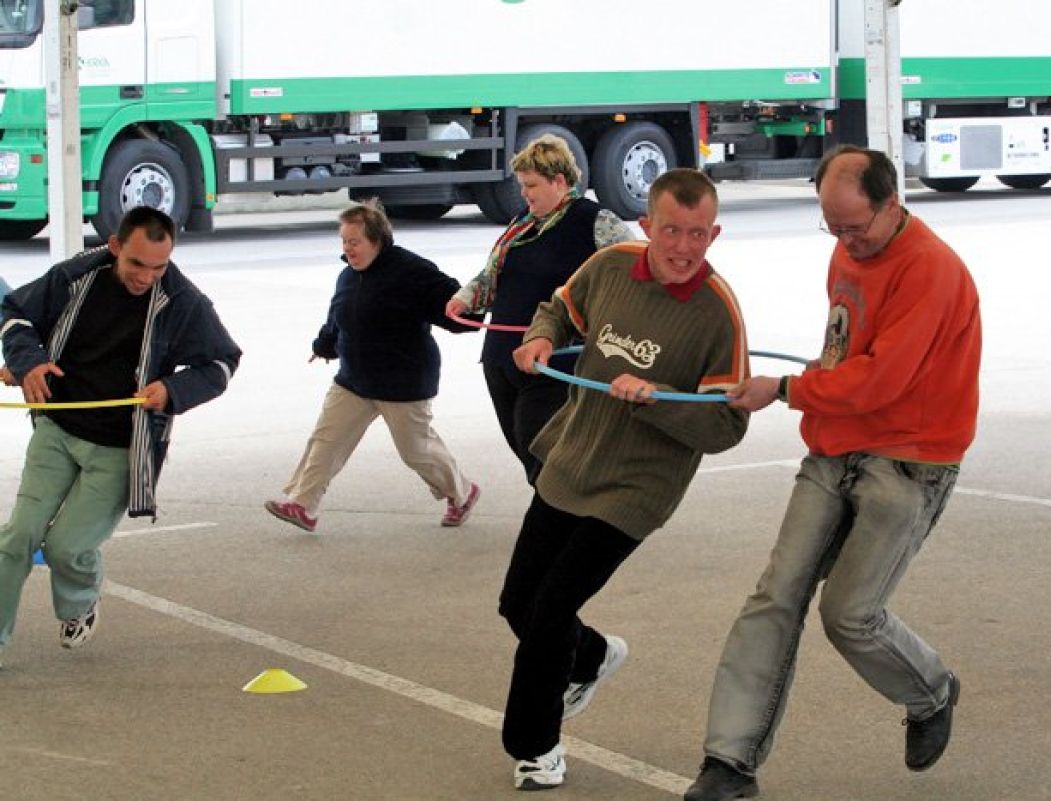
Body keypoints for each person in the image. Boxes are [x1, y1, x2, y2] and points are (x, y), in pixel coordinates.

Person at [684, 145, 982, 801]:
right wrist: (811, 388)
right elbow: (843, 352)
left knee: (850, 615)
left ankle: (931, 691)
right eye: (833, 226)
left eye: (855, 226)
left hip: (909, 461)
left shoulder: (932, 271)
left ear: (892, 203)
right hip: (835, 446)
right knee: (774, 596)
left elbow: (880, 380)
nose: (846, 241)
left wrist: (786, 388)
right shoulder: (849, 251)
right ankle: (728, 762)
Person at [500, 168, 750, 791]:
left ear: (715, 234)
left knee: (550, 610)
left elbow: (726, 427)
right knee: (518, 603)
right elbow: (559, 309)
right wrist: (540, 338)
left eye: (698, 233)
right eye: (671, 230)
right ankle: (592, 656)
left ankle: (536, 748)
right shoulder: (610, 266)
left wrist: (659, 399)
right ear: (646, 225)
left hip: (637, 489)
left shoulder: (719, 314)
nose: (684, 247)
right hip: (572, 460)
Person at [0, 207, 241, 665]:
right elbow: (15, 314)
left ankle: (80, 604)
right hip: (57, 429)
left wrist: (173, 389)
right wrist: (27, 361)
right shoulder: (75, 276)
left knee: (66, 547)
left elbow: (222, 363)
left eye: (159, 267)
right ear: (114, 247)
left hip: (118, 448)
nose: (146, 277)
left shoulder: (184, 302)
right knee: (17, 536)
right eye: (137, 264)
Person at [264, 200, 480, 533]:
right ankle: (302, 505)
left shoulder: (411, 271)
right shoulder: (348, 276)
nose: (347, 249)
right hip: (355, 379)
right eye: (344, 241)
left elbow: (455, 303)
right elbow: (338, 318)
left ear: (377, 240)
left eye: (354, 242)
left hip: (403, 381)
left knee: (416, 451)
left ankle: (462, 493)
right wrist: (323, 346)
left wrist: (471, 312)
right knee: (327, 440)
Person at [445, 134, 633, 485]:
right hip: (502, 357)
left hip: (554, 360)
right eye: (522, 185)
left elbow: (634, 273)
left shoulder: (596, 221)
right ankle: (558, 505)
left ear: (559, 181)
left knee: (540, 447)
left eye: (531, 185)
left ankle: (564, 508)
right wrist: (466, 297)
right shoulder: (522, 222)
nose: (524, 194)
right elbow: (493, 274)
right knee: (525, 449)